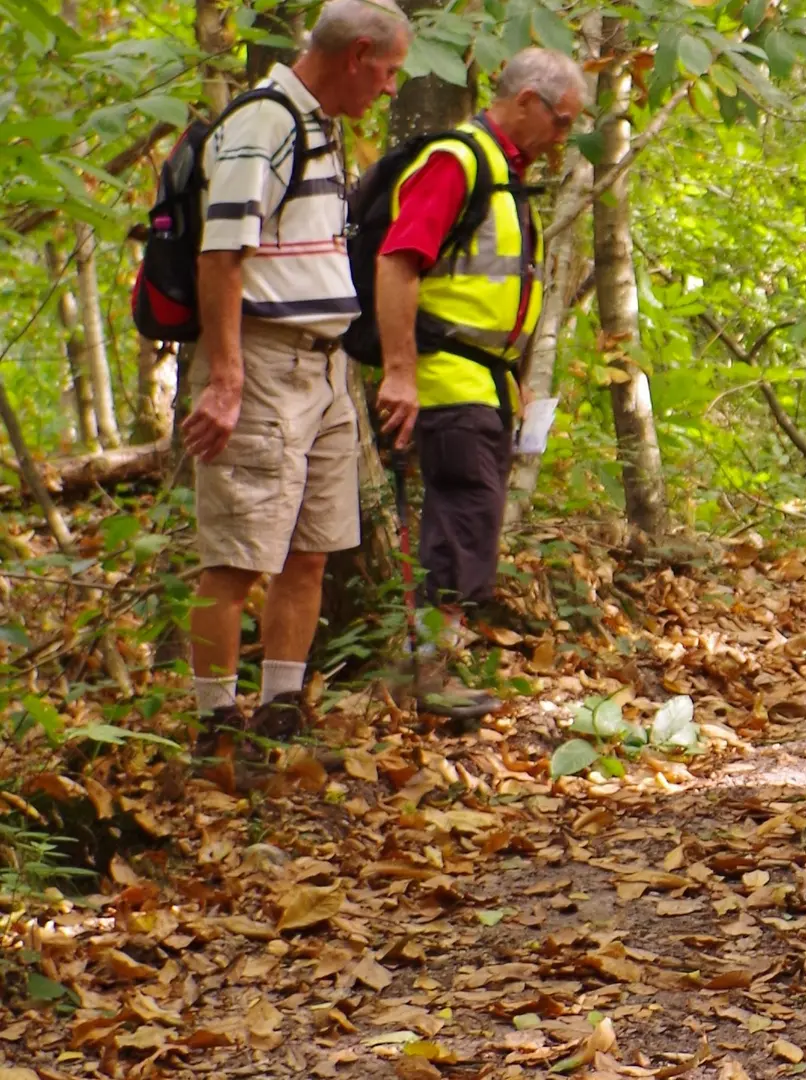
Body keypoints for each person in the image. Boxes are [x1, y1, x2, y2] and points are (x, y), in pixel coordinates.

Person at [181, 0, 411, 756]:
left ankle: (281, 708)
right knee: (236, 555)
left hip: (324, 366)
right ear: (358, 54)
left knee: (310, 550)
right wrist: (227, 379)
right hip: (265, 361)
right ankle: (215, 723)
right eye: (388, 71)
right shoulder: (266, 121)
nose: (390, 88)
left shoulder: (321, 126)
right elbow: (222, 253)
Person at [371, 47, 588, 721]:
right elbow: (399, 262)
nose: (563, 137)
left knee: (471, 524)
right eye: (560, 121)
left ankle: (433, 667)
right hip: (446, 378)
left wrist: (518, 384)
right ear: (525, 102)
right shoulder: (457, 163)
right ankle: (424, 674)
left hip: (487, 382)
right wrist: (400, 373)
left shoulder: (504, 174)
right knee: (459, 522)